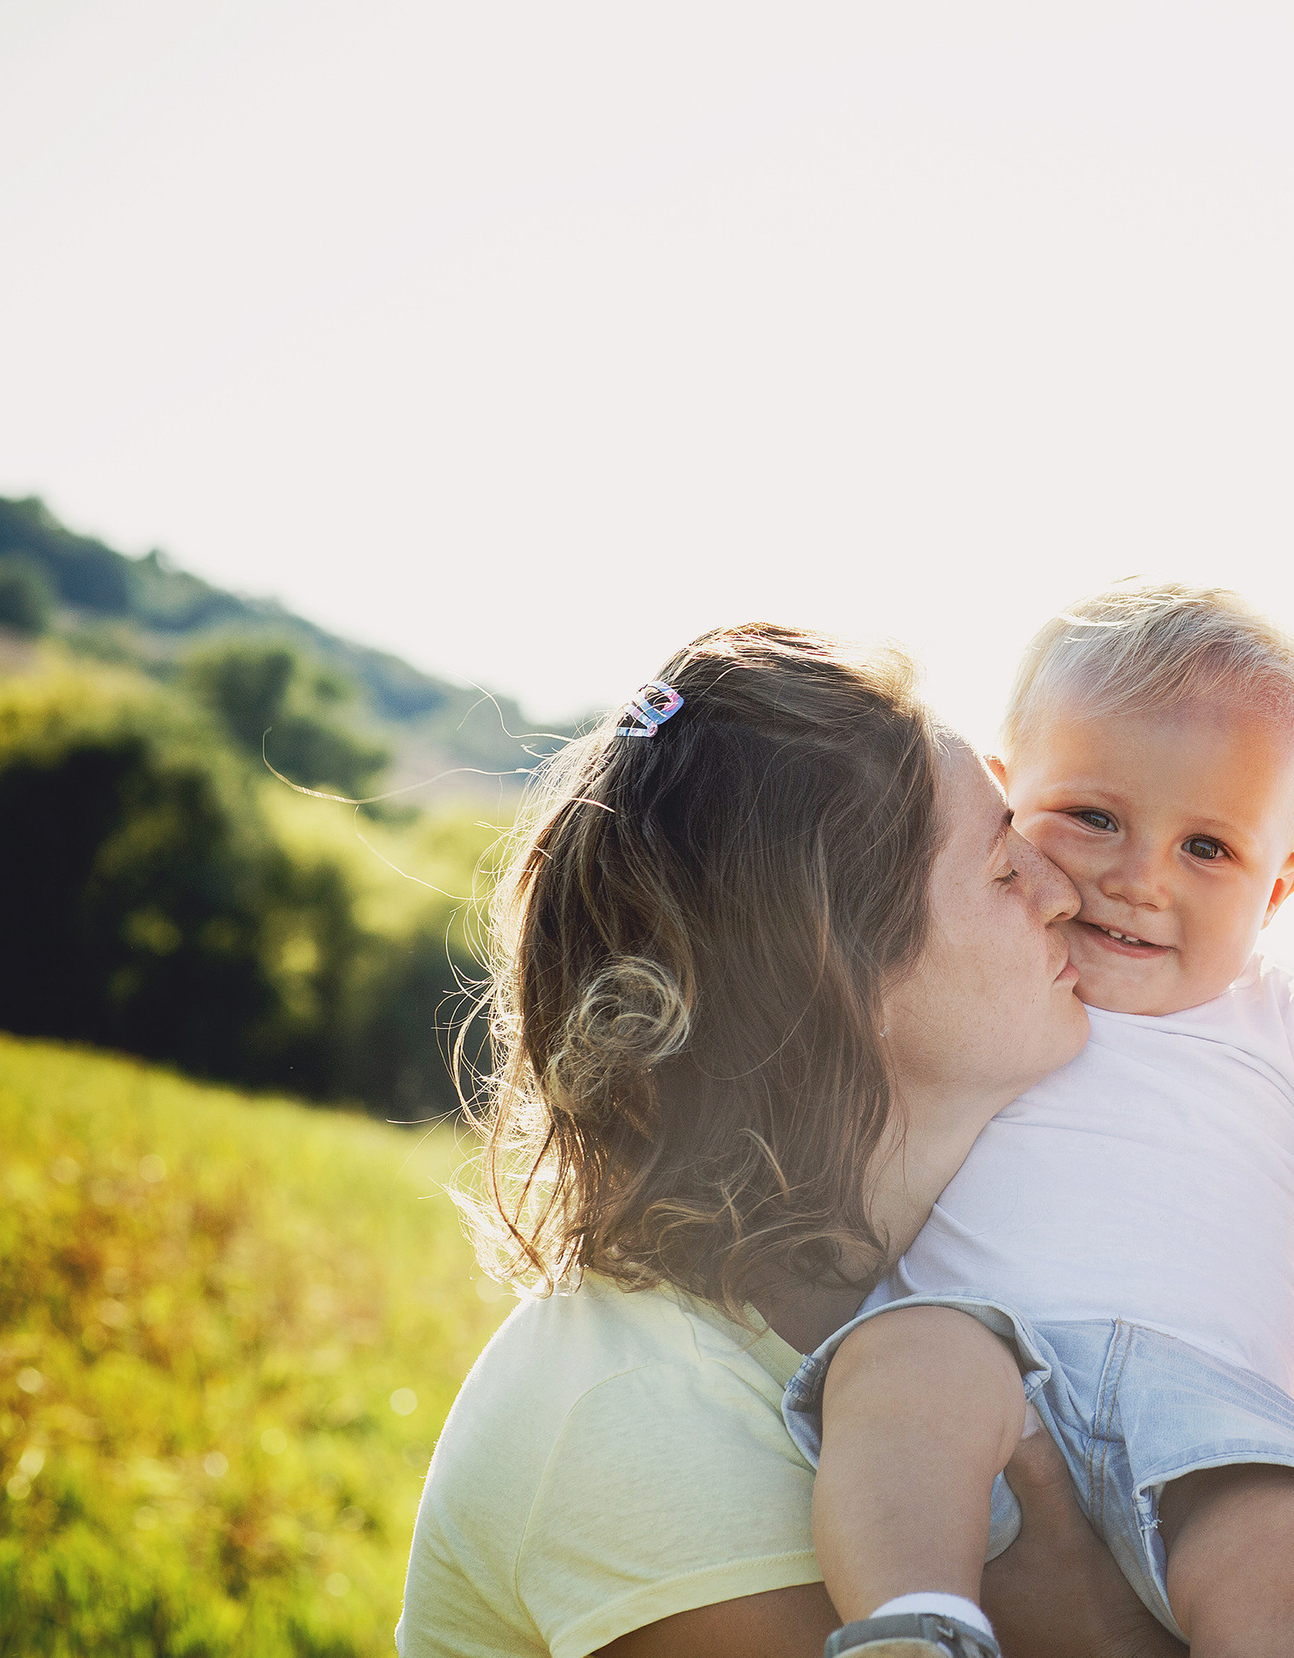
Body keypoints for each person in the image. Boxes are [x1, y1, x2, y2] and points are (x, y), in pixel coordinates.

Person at [786, 583, 1294, 1658]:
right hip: (988, 1375)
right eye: (1092, 818)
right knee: (902, 1364)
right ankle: (914, 1626)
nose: (1138, 880)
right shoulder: (965, 983)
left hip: (1211, 1425)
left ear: (1280, 887)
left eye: (1208, 850)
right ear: (1001, 804)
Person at [397, 622, 1093, 1658]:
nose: (1064, 889)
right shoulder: (629, 1415)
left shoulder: (925, 1301)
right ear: (845, 985)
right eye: (1003, 870)